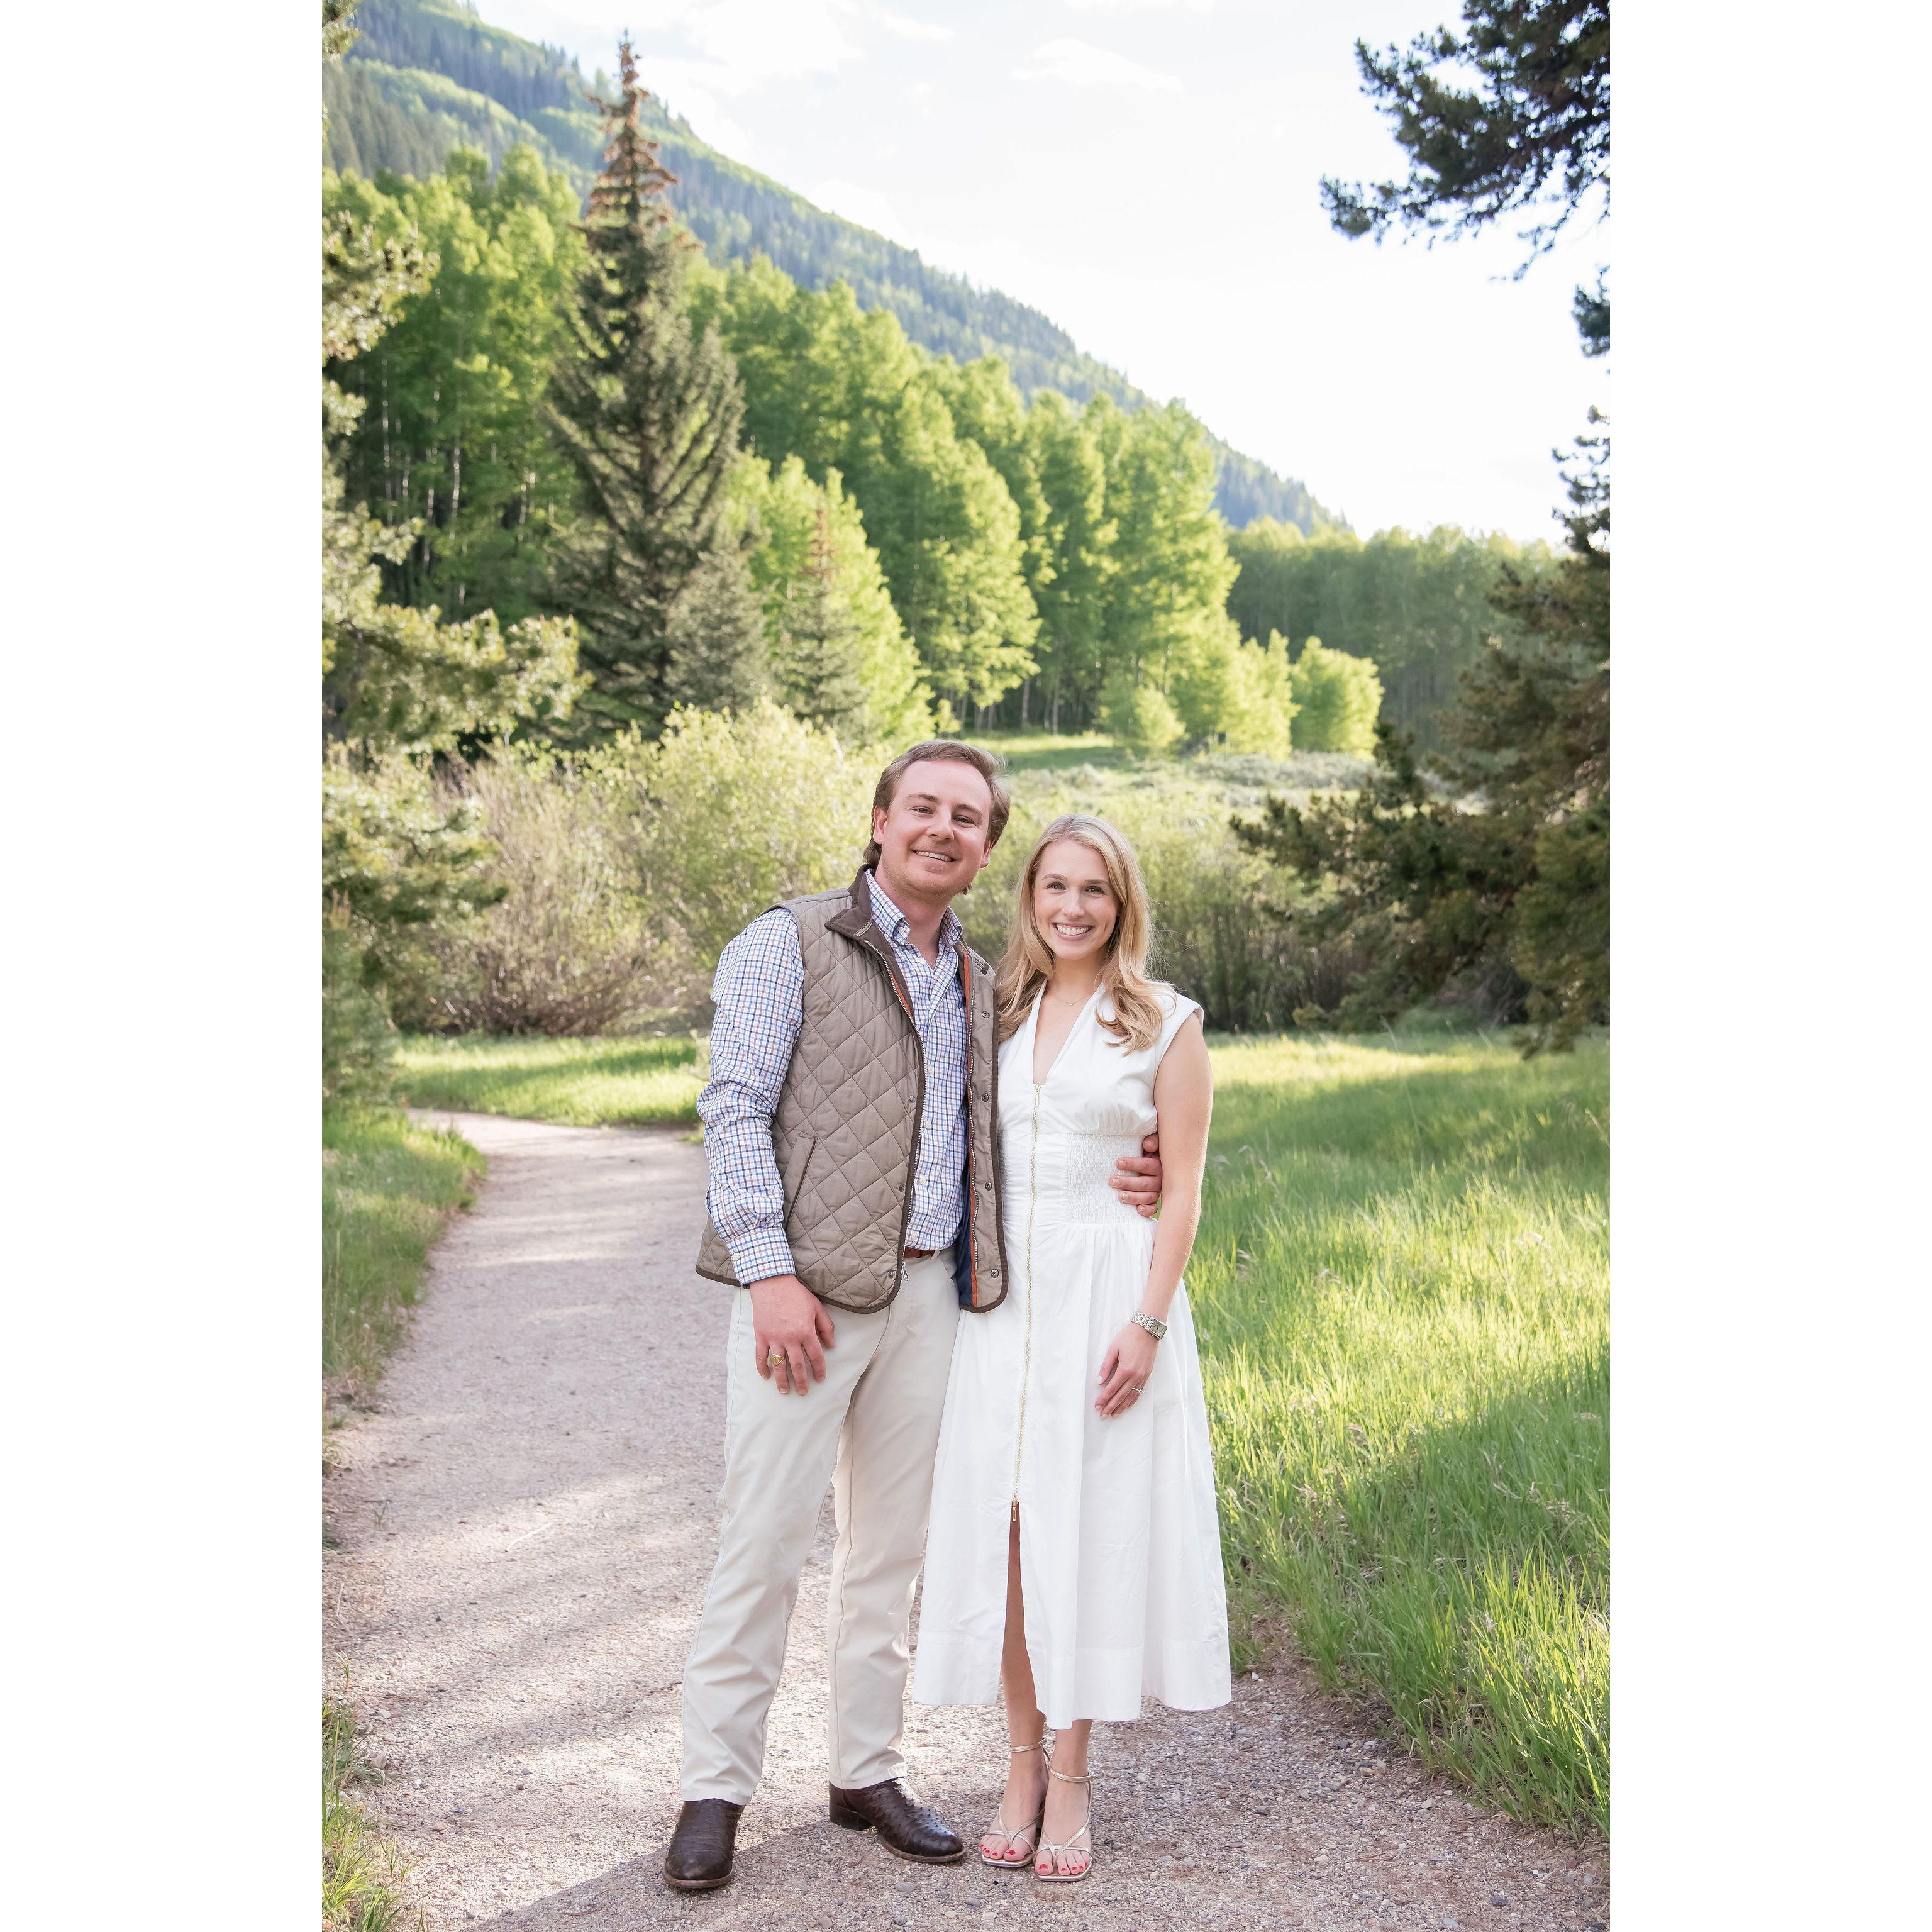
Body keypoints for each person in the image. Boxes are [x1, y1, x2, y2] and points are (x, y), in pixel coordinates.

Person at [663, 745, 1165, 1892]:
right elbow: (733, 1108)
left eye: (968, 819)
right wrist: (768, 1272)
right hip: (804, 1301)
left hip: (937, 1301)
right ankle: (714, 1791)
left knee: (890, 1554)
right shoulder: (787, 941)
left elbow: (1052, 1116)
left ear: (988, 852)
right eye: (924, 809)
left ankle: (865, 1772)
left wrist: (1136, 1168)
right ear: (882, 820)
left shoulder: (990, 984)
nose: (944, 830)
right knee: (762, 1545)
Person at [911, 813, 1231, 1884]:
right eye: (1055, 886)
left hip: (1108, 1294)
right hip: (1000, 1299)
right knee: (1008, 1534)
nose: (1073, 907)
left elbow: (1182, 1189)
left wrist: (1147, 1322)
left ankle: (1075, 1773)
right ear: (1030, 897)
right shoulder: (994, 1008)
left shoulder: (1166, 1022)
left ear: (1121, 903)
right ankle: (1018, 1767)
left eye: (1095, 889)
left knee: (1085, 1529)